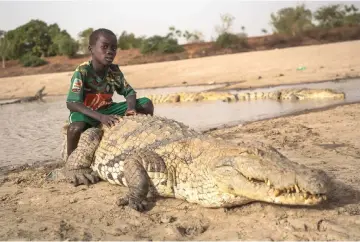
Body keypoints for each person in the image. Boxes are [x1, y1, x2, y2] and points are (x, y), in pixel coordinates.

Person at [65, 28, 154, 158]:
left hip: (107, 109)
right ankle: (70, 160)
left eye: (113, 48)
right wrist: (101, 118)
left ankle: (140, 140)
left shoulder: (114, 71)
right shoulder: (82, 71)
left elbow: (129, 92)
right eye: (104, 47)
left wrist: (131, 108)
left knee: (146, 104)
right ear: (91, 49)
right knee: (76, 128)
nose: (110, 52)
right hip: (86, 112)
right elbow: (72, 103)